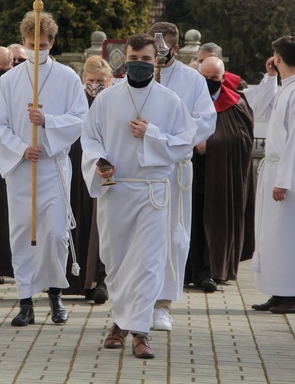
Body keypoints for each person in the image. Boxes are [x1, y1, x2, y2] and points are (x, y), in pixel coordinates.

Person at [81, 33, 196, 359]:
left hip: (152, 193)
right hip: (116, 191)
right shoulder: (106, 99)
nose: (140, 64)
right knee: (116, 262)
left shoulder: (170, 100)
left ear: (155, 60)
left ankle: (140, 332)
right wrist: (99, 163)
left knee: (147, 263)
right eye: (134, 57)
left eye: (146, 59)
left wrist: (152, 134)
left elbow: (185, 142)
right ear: (124, 57)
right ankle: (120, 322)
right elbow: (90, 138)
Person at [0, 11, 88, 327]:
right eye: (31, 44)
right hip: (22, 167)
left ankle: (56, 295)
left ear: (52, 43)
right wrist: (22, 148)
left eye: (43, 44)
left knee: (55, 234)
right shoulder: (9, 81)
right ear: (23, 42)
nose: (37, 50)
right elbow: (0, 125)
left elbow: (80, 119)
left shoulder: (68, 78)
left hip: (53, 166)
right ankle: (24, 301)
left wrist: (49, 123)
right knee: (22, 234)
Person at [244, 36, 295, 314]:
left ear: (278, 56)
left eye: (273, 56)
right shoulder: (286, 87)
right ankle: (280, 291)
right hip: (278, 169)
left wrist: (284, 181)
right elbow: (258, 107)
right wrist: (269, 76)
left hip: (290, 174)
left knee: (292, 236)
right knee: (275, 235)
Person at [148, 22, 217, 332]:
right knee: (144, 237)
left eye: (163, 49)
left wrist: (169, 140)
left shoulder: (192, 80)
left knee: (172, 237)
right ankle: (139, 300)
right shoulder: (139, 74)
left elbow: (205, 121)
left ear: (174, 48)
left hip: (175, 170)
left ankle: (164, 303)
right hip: (143, 171)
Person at [185, 57, 255, 292]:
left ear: (223, 79)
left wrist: (211, 145)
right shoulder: (188, 99)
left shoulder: (236, 103)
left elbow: (243, 141)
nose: (208, 83)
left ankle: (212, 270)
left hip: (221, 175)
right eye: (204, 78)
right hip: (191, 174)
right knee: (191, 221)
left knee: (214, 224)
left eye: (213, 79)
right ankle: (189, 271)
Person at [64, 55, 112, 304]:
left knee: (102, 220)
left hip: (105, 161)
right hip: (77, 158)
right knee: (78, 216)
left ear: (109, 80)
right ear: (84, 79)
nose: (95, 85)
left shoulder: (113, 99)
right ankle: (76, 278)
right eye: (91, 80)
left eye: (100, 80)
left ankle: (101, 279)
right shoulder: (76, 97)